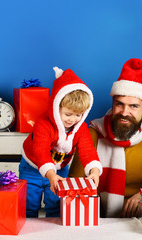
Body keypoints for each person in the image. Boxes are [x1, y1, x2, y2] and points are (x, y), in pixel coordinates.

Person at [69, 58, 142, 218]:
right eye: (119, 104)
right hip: (93, 216)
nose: (124, 112)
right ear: (112, 102)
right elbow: (74, 185)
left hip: (138, 218)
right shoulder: (92, 133)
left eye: (134, 106)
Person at [19, 66, 103, 218]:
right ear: (56, 108)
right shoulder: (43, 124)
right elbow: (41, 151)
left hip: (60, 169)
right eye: (68, 114)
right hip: (32, 166)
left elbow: (87, 150)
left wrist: (94, 170)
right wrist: (50, 174)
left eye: (78, 115)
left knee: (56, 204)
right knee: (29, 203)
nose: (72, 120)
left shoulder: (80, 128)